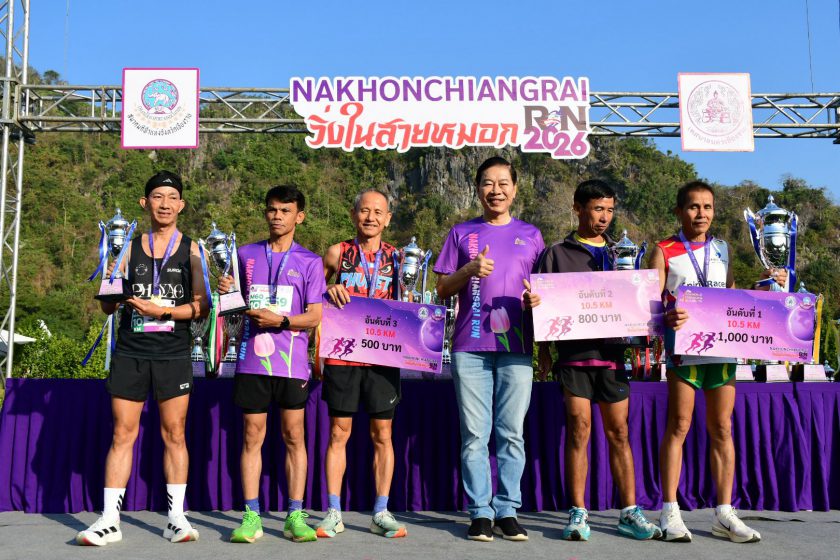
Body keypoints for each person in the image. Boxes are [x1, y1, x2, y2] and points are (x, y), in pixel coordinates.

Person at [76, 171, 209, 546]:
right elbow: (107, 308)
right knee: (122, 434)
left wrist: (162, 311)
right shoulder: (128, 249)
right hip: (132, 352)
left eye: (172, 197)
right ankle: (109, 520)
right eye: (157, 197)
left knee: (174, 433)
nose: (165, 204)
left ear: (181, 205)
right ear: (145, 203)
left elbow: (202, 307)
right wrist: (109, 283)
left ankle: (176, 519)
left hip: (173, 353)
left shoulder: (193, 250)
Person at [652, 180, 783, 543]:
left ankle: (724, 512)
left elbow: (732, 299)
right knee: (679, 425)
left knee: (722, 428)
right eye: (694, 207)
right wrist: (665, 315)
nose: (701, 214)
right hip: (685, 350)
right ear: (679, 211)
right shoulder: (664, 250)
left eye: (707, 207)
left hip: (722, 350)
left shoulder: (722, 248)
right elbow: (648, 304)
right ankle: (669, 510)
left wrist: (768, 288)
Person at [535, 179, 661, 542]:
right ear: (578, 208)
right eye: (597, 209)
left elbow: (641, 304)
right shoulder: (556, 254)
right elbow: (542, 306)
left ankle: (629, 511)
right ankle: (577, 511)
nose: (604, 217)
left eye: (609, 210)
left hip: (613, 357)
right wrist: (544, 351)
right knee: (579, 429)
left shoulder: (624, 254)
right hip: (574, 356)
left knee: (619, 432)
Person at [434, 156, 543, 542]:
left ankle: (507, 509)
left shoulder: (532, 235)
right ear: (477, 189)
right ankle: (480, 512)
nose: (495, 191)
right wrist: (468, 270)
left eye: (502, 183)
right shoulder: (461, 233)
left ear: (515, 189)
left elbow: (543, 290)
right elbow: (441, 289)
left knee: (512, 433)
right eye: (487, 183)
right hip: (470, 347)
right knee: (474, 435)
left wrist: (537, 301)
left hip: (517, 347)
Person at [221, 185, 326, 544]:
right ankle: (251, 516)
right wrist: (226, 290)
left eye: (285, 210)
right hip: (252, 360)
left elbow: (314, 316)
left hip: (292, 364)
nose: (277, 216)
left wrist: (280, 321)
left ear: (300, 216)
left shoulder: (310, 261)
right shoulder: (245, 254)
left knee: (294, 436)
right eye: (272, 210)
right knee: (252, 436)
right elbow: (232, 305)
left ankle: (295, 514)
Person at [315, 189, 407, 539]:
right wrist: (328, 290)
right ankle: (333, 512)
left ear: (388, 219)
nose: (370, 217)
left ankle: (381, 511)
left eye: (378, 212)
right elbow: (311, 290)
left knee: (382, 434)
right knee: (339, 432)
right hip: (343, 353)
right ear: (354, 215)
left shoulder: (400, 259)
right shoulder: (337, 252)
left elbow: (410, 304)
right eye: (364, 211)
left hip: (383, 356)